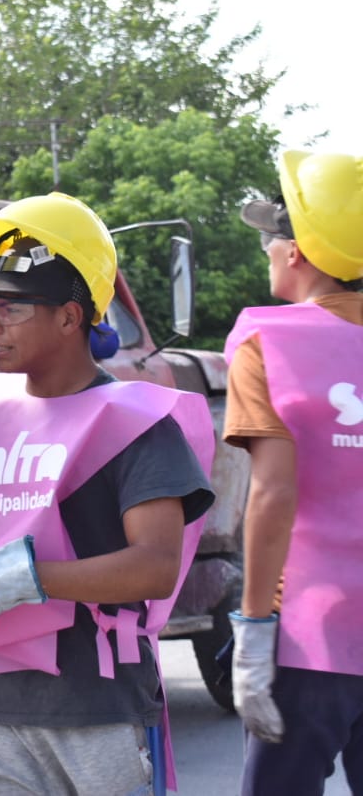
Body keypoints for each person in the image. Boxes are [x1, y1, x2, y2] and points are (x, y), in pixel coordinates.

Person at [0, 192, 216, 795]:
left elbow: (155, 567)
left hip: (95, 713)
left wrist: (25, 578)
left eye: (12, 308)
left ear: (71, 318)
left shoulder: (136, 423)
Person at [222, 150, 363, 795]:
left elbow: (273, 492)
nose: (267, 252)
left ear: (298, 252)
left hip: (311, 639)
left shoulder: (268, 341)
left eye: (269, 239)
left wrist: (253, 630)